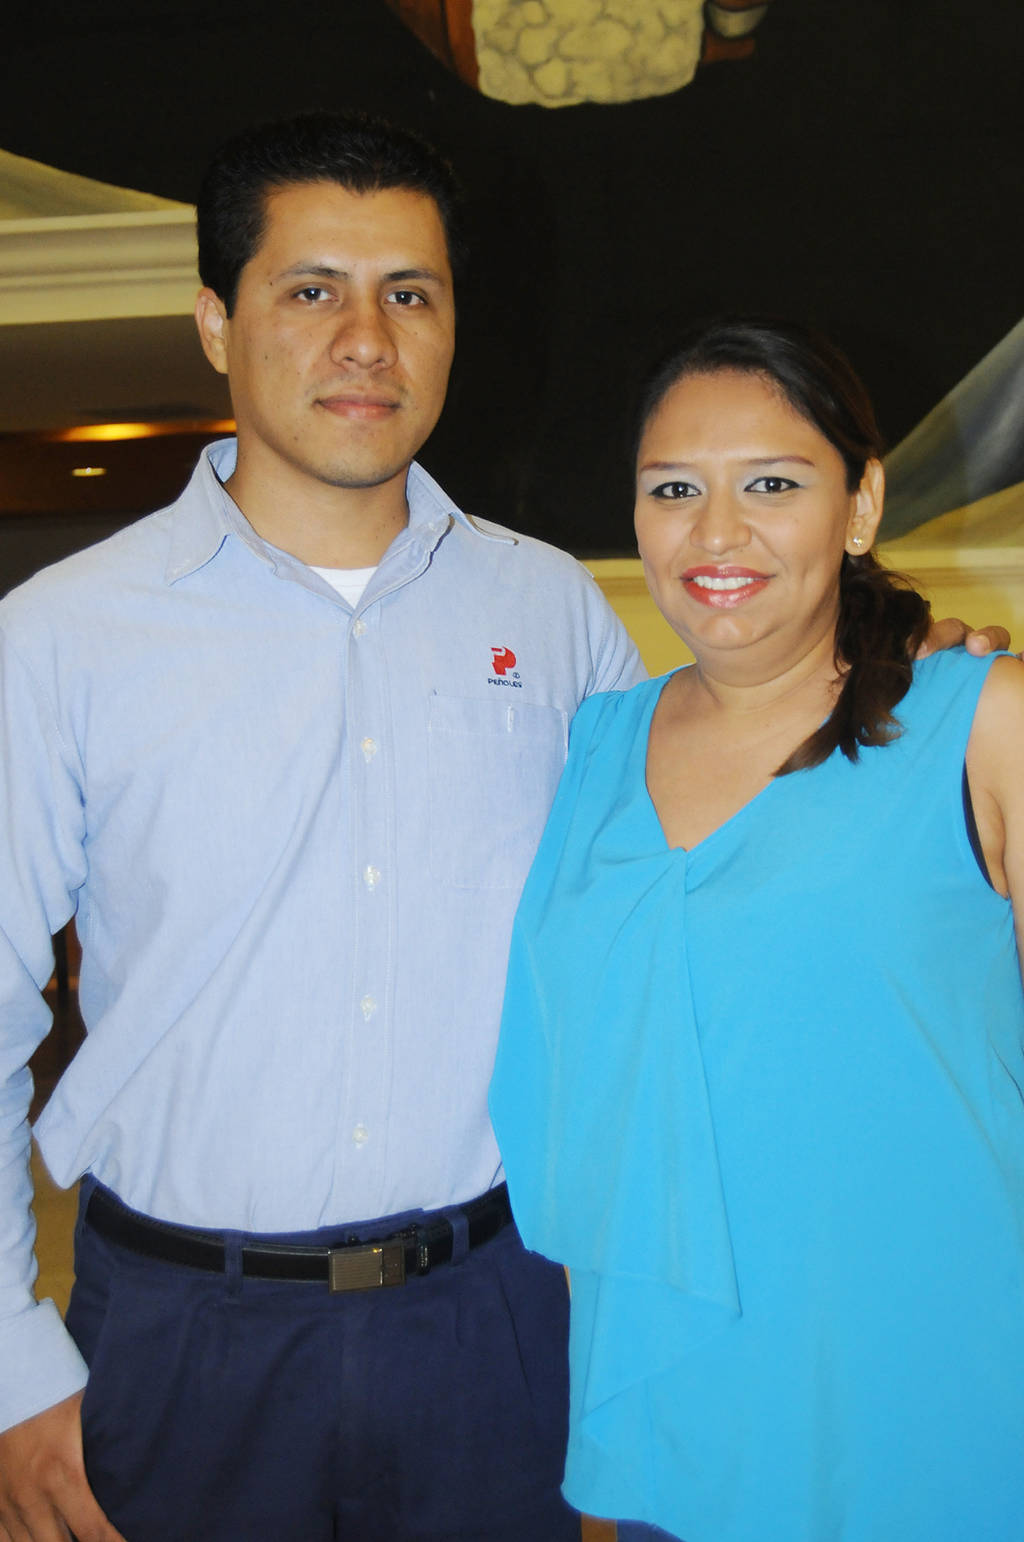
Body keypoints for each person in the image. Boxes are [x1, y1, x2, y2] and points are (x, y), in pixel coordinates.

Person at [0, 111, 646, 1542]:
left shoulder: (552, 612)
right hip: (180, 1341)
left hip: (493, 1321)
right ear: (215, 323)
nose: (367, 339)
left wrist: (910, 709)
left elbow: (685, 889)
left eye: (410, 293)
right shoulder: (58, 639)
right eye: (312, 290)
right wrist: (9, 1365)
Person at [490, 317, 1024, 1542]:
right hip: (677, 1390)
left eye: (771, 485)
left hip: (932, 1390)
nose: (715, 534)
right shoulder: (592, 745)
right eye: (673, 490)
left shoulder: (982, 721)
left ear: (859, 504)